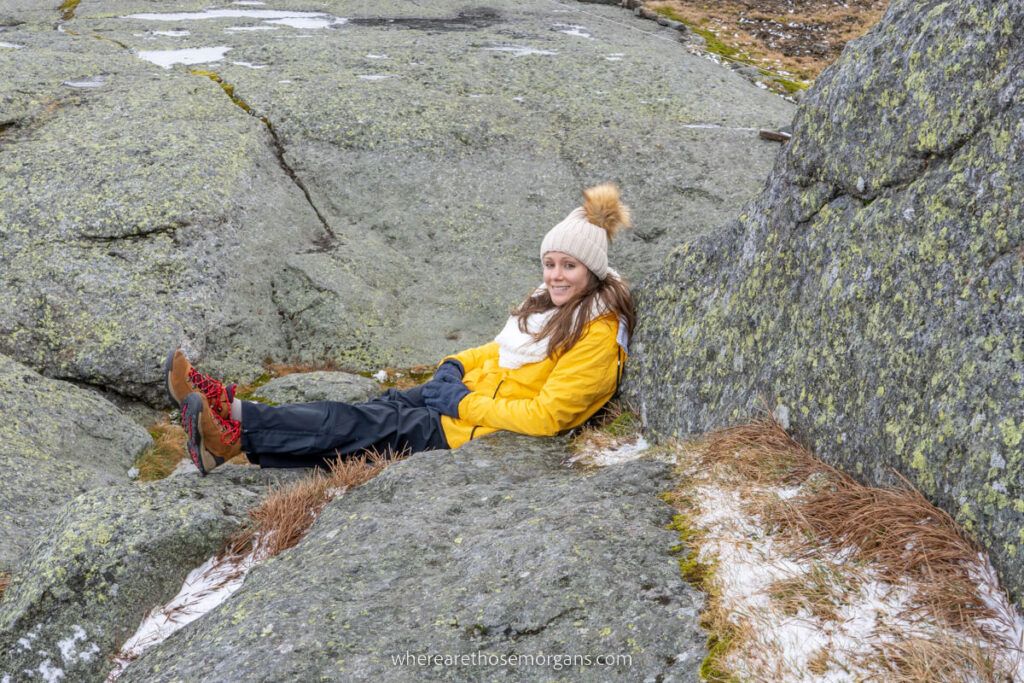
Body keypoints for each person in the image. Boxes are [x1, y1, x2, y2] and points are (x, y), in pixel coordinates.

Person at [166, 183, 636, 474]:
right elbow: (499, 350)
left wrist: (461, 402)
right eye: (550, 263)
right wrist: (455, 365)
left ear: (592, 270)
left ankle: (230, 440)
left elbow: (550, 417)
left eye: (568, 266)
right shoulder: (556, 306)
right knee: (365, 413)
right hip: (470, 402)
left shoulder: (595, 332)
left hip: (474, 429)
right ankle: (234, 412)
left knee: (358, 426)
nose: (554, 275)